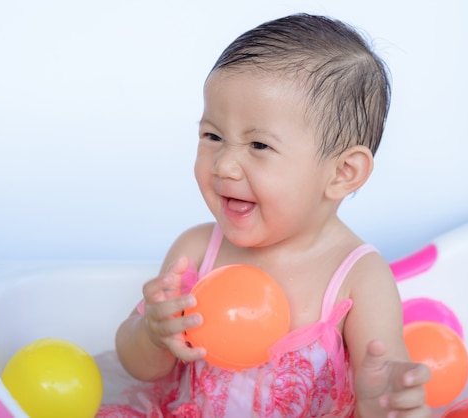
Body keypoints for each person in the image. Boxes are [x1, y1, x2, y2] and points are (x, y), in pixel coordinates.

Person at [97, 13, 431, 418]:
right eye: (213, 136)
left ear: (343, 173)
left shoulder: (360, 278)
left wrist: (385, 400)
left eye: (258, 145)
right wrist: (152, 333)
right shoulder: (196, 250)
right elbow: (142, 369)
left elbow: (382, 390)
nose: (224, 165)